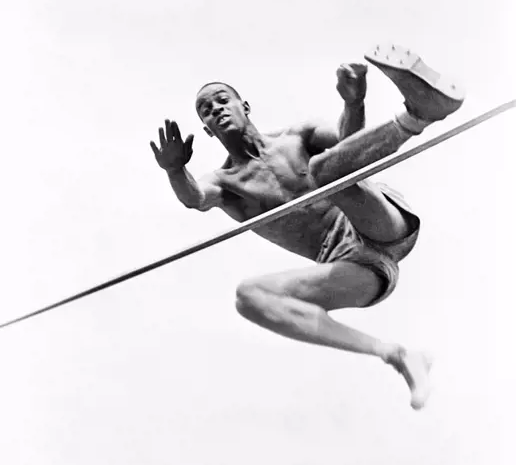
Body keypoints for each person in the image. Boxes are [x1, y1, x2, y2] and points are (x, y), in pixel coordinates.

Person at [150, 44, 464, 410]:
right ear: (205, 130)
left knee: (325, 171)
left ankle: (417, 116)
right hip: (361, 270)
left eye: (222, 100)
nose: (216, 109)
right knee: (248, 297)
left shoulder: (297, 136)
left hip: (376, 223)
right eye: (206, 110)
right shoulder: (227, 183)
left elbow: (349, 146)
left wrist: (353, 103)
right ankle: (396, 355)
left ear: (244, 107)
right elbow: (195, 197)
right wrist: (175, 169)